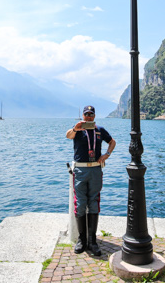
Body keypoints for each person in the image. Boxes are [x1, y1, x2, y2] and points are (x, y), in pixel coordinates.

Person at [65, 105, 116, 256]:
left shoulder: (100, 130)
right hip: (80, 170)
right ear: (83, 115)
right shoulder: (78, 130)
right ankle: (82, 240)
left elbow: (112, 142)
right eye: (86, 114)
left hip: (95, 169)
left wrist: (106, 154)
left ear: (94, 116)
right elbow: (68, 136)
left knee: (94, 202)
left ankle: (92, 241)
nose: (88, 117)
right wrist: (75, 129)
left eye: (91, 114)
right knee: (80, 203)